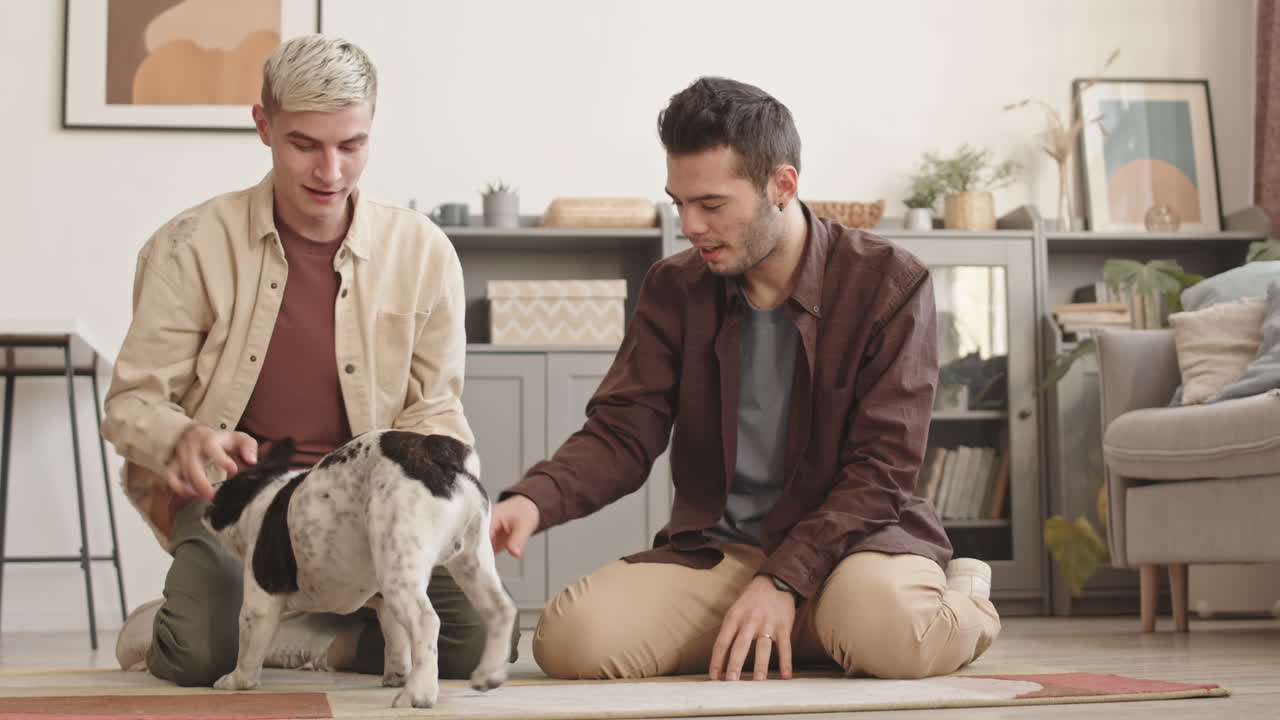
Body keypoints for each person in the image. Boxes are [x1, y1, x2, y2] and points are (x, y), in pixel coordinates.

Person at [489, 76, 1000, 682]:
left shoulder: (890, 282)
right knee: (571, 641)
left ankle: (955, 596)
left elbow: (881, 470)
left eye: (711, 205)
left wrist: (785, 578)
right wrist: (534, 498)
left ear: (782, 186)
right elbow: (623, 432)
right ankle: (817, 631)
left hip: (855, 545)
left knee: (893, 635)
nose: (690, 225)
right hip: (724, 554)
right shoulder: (672, 289)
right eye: (679, 203)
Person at [101, 34, 517, 687]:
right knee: (201, 652)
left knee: (469, 644)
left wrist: (440, 491)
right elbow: (131, 404)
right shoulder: (188, 246)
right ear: (263, 125)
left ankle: (302, 635)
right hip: (240, 496)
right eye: (305, 145)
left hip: (373, 498)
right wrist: (183, 436)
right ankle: (185, 621)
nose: (331, 172)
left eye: (351, 146)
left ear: (371, 129)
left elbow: (435, 407)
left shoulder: (424, 252)